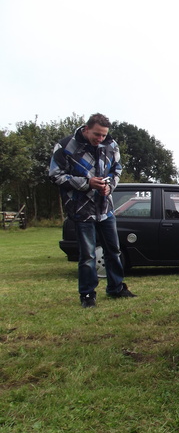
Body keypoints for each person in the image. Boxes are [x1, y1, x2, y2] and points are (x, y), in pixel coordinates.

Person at [49, 113, 136, 308]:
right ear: (86, 129)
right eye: (97, 135)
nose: (100, 139)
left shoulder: (111, 145)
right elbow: (55, 176)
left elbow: (117, 170)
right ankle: (87, 295)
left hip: (106, 208)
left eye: (103, 135)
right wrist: (87, 184)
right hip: (81, 209)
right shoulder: (65, 147)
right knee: (88, 255)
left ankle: (116, 287)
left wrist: (109, 187)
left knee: (113, 250)